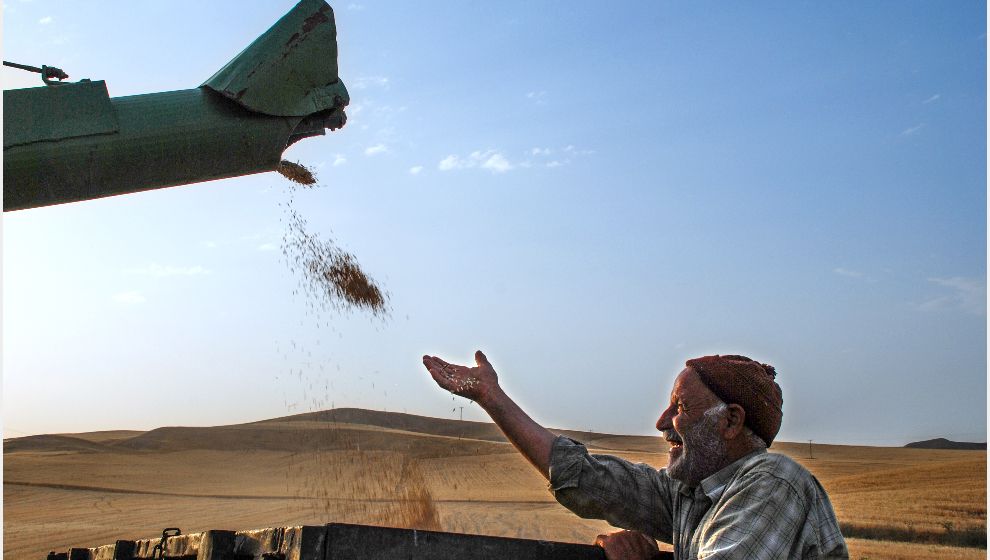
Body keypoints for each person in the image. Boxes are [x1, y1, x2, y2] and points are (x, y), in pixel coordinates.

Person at [422, 351, 849, 560]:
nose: (662, 423)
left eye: (679, 408)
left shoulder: (773, 484)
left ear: (731, 421)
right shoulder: (691, 495)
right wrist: (490, 397)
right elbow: (593, 480)